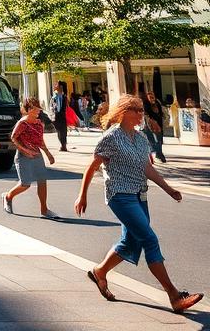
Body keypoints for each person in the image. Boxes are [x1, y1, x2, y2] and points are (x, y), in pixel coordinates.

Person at [75, 94, 202, 314]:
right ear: (125, 112)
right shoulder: (111, 137)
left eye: (142, 110)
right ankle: (174, 296)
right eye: (138, 110)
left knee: (130, 242)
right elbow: (92, 165)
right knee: (149, 239)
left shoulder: (141, 138)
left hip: (139, 195)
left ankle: (99, 272)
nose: (141, 114)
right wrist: (82, 195)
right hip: (119, 195)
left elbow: (147, 168)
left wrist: (168, 189)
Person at [2, 97, 58, 219]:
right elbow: (13, 138)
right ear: (28, 109)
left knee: (42, 182)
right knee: (25, 184)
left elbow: (40, 141)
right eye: (35, 108)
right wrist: (25, 151)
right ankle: (8, 197)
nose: (38, 110)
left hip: (37, 155)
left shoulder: (39, 124)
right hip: (23, 156)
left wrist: (48, 154)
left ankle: (44, 210)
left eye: (38, 107)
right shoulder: (22, 123)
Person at [143, 90, 168, 164]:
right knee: (153, 141)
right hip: (148, 125)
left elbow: (161, 112)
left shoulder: (157, 103)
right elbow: (145, 115)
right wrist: (150, 121)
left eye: (152, 95)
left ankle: (158, 154)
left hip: (158, 124)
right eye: (149, 95)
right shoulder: (145, 104)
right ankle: (159, 154)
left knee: (159, 140)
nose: (151, 96)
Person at [51, 81, 69, 152]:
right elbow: (52, 107)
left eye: (56, 85)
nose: (55, 86)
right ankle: (63, 145)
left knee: (63, 131)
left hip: (62, 115)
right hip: (56, 115)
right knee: (59, 131)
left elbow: (65, 107)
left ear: (61, 87)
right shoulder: (54, 96)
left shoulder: (64, 96)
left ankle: (63, 145)